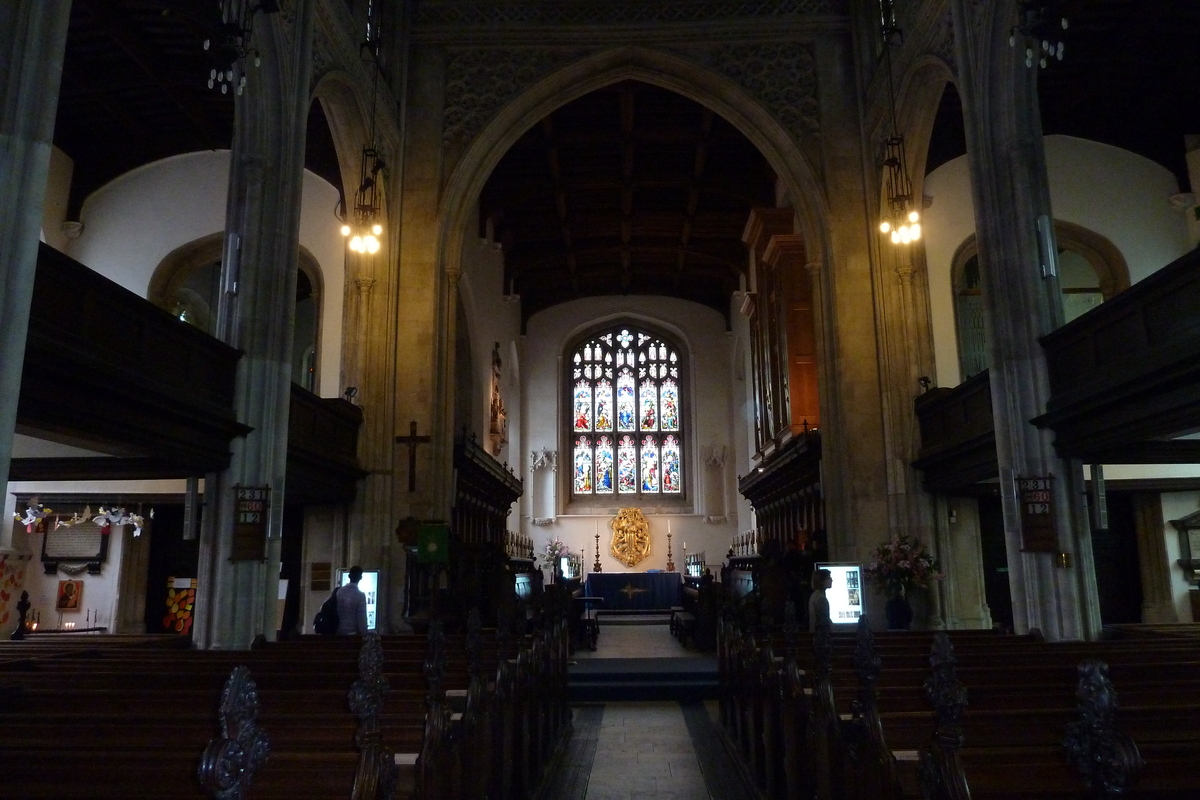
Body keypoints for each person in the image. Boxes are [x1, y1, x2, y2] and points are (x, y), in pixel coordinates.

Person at [336, 566, 370, 636]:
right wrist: (365, 633)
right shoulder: (360, 595)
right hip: (352, 634)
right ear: (361, 577)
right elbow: (361, 618)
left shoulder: (339, 591)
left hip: (338, 632)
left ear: (349, 576)